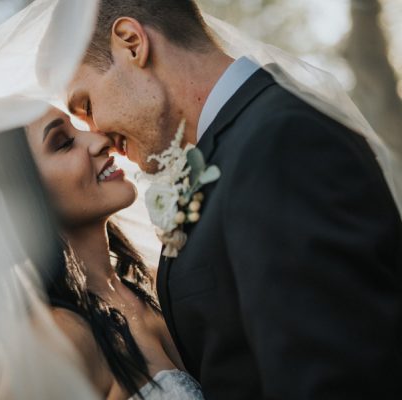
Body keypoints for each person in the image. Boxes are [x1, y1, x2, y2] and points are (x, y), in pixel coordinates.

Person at [66, 0, 402, 399]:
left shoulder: (280, 142)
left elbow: (333, 376)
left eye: (86, 106)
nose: (97, 133)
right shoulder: (241, 147)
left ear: (132, 43)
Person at [22, 107, 205, 399]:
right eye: (64, 142)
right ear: (25, 197)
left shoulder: (153, 284)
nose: (99, 140)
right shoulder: (54, 340)